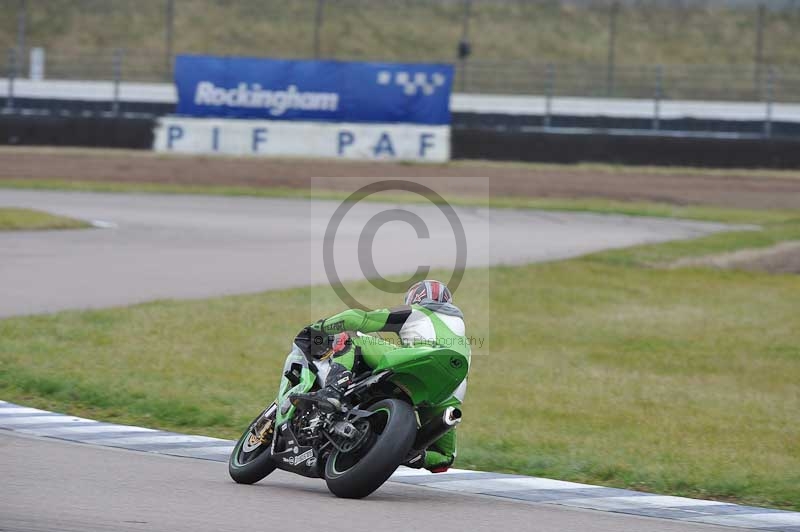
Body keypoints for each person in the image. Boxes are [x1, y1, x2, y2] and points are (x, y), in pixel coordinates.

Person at [294, 279, 469, 473]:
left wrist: (322, 327)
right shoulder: (460, 328)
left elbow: (361, 319)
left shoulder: (416, 312)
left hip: (419, 361)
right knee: (445, 458)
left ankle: (332, 391)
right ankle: (412, 453)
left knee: (352, 338)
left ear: (416, 298)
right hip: (449, 389)